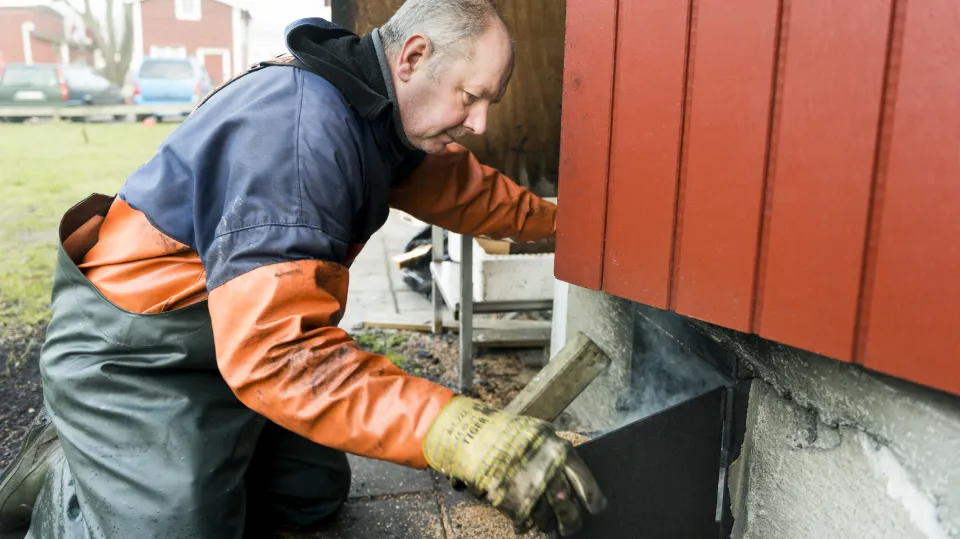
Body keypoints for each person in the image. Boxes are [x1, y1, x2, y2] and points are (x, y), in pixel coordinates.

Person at [0, 1, 606, 538]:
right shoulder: (296, 138)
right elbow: (279, 357)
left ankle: (182, 457)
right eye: (471, 97)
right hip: (134, 354)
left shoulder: (379, 115)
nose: (481, 124)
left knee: (312, 492)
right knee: (175, 528)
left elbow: (472, 195)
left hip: (224, 341)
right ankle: (69, 469)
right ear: (414, 56)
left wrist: (567, 226)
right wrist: (462, 435)